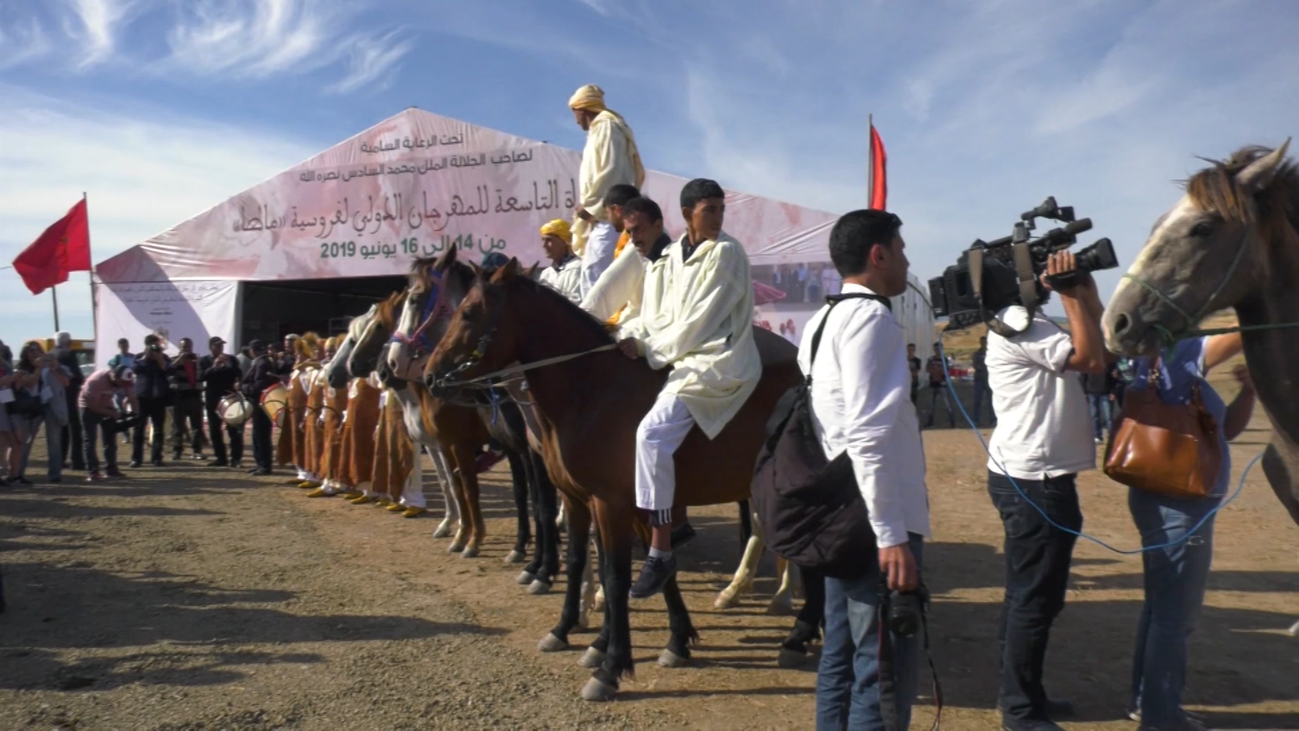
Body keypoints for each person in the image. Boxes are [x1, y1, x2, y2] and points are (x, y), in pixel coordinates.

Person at [802, 210, 930, 731]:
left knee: (841, 653)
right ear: (877, 255)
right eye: (899, 248)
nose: (905, 258)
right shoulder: (872, 321)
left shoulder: (821, 320)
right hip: (874, 519)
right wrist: (892, 535)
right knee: (880, 668)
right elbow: (868, 436)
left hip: (839, 510)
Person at [615, 178, 760, 598]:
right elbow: (659, 314)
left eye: (720, 209)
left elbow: (699, 321)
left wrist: (646, 346)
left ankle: (661, 548)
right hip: (680, 353)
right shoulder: (675, 255)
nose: (717, 217)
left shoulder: (728, 253)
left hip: (716, 358)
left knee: (651, 434)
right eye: (709, 210)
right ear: (686, 214)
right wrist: (623, 333)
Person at [985, 251, 1109, 731]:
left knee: (1030, 597)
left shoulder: (1025, 321)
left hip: (1038, 477)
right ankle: (1019, 710)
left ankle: (1024, 695)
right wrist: (1068, 291)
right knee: (1034, 602)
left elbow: (1100, 345)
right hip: (1035, 482)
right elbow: (1093, 359)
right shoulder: (1017, 321)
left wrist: (1086, 292)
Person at [1125, 334, 1253, 731]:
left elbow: (1224, 432)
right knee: (1174, 618)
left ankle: (1149, 705)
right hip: (1179, 504)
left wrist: (1249, 389)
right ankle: (1161, 717)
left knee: (1160, 610)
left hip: (1171, 499)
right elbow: (1249, 327)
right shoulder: (1178, 355)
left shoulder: (1167, 366)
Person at [567, 84, 646, 297]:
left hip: (608, 218)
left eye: (574, 112)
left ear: (581, 109)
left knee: (599, 281)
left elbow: (611, 169)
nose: (574, 119)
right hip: (602, 217)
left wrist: (592, 207)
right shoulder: (600, 129)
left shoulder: (607, 127)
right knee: (592, 278)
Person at [11, 341, 69, 484]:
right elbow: (30, 384)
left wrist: (54, 369)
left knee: (54, 441)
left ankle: (55, 474)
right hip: (29, 408)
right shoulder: (22, 369)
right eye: (31, 350)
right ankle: (18, 473)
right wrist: (38, 368)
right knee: (24, 442)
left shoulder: (52, 366)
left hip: (50, 406)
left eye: (38, 350)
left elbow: (66, 382)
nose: (35, 353)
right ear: (26, 354)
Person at [80, 366, 136, 482]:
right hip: (88, 407)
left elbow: (132, 397)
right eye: (121, 383)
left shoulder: (125, 380)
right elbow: (93, 406)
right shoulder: (95, 381)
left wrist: (136, 415)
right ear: (114, 376)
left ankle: (111, 469)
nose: (122, 386)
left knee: (110, 439)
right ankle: (93, 472)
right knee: (90, 440)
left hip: (106, 404)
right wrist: (112, 413)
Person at [199, 336, 243, 468]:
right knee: (215, 430)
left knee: (234, 429)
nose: (220, 348)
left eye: (221, 346)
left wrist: (229, 365)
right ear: (211, 347)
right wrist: (214, 366)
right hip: (213, 398)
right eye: (217, 346)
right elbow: (200, 377)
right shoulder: (204, 360)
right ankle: (220, 457)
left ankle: (236, 458)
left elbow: (238, 373)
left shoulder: (232, 359)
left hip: (229, 397)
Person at [131, 334, 171, 468]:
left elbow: (170, 371)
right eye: (153, 344)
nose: (156, 347)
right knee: (139, 428)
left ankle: (156, 457)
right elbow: (135, 369)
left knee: (158, 429)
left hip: (158, 397)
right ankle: (136, 459)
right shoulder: (138, 357)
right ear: (147, 345)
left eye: (157, 344)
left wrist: (160, 360)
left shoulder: (163, 357)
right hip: (143, 396)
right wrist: (145, 357)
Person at [240, 340, 279, 476]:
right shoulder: (261, 362)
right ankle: (260, 463)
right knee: (257, 435)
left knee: (261, 435)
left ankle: (264, 465)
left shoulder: (262, 363)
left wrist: (243, 387)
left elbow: (259, 386)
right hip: (259, 404)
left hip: (261, 404)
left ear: (253, 350)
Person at [51, 331, 86, 471]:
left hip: (54, 394)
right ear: (68, 342)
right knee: (75, 428)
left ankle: (60, 459)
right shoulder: (69, 354)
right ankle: (77, 460)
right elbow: (76, 374)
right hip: (70, 394)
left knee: (60, 429)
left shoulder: (50, 354)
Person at [168, 337, 205, 460]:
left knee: (197, 426)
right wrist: (180, 359)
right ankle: (177, 450)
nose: (186, 349)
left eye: (188, 347)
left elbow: (202, 374)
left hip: (195, 397)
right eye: (184, 347)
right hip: (179, 398)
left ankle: (196, 450)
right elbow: (168, 370)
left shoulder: (197, 360)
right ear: (179, 347)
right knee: (178, 426)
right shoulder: (174, 360)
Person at [537, 219, 584, 304]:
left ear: (564, 241)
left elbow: (577, 304)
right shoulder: (546, 274)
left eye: (549, 240)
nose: (544, 245)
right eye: (543, 240)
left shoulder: (578, 268)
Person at [925, 343, 956, 429]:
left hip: (942, 384)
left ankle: (952, 421)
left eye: (938, 349)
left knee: (948, 404)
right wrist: (936, 370)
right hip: (933, 384)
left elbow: (947, 371)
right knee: (930, 405)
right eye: (935, 349)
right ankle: (930, 421)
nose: (937, 351)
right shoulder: (931, 359)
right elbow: (928, 369)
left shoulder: (945, 359)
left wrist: (939, 370)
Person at [1081, 370, 1112, 444]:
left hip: (1105, 392)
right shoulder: (1089, 362)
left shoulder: (1106, 362)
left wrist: (1112, 392)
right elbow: (1083, 377)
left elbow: (1111, 378)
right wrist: (1084, 392)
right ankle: (1098, 436)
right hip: (1092, 392)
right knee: (1094, 416)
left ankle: (1111, 436)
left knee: (1108, 416)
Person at [972, 336, 995, 427]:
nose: (983, 344)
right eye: (982, 342)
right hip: (979, 379)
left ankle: (993, 419)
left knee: (991, 401)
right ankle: (976, 420)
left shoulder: (992, 352)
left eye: (985, 342)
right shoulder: (977, 353)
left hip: (990, 379)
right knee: (977, 400)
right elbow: (975, 365)